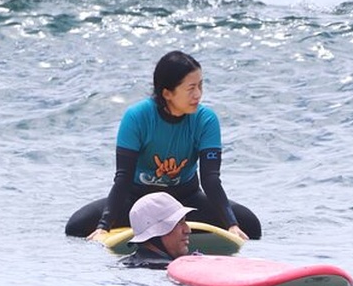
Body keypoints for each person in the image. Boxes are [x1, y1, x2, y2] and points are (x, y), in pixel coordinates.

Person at [65, 50, 262, 240]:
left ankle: (176, 229)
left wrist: (231, 225)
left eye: (200, 86)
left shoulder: (205, 120)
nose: (198, 94)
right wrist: (103, 227)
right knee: (76, 226)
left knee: (251, 225)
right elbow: (123, 177)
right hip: (138, 201)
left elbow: (210, 179)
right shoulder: (137, 117)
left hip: (185, 201)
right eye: (191, 88)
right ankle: (167, 231)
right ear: (167, 93)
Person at [119, 192, 195, 269]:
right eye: (179, 222)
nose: (188, 230)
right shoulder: (167, 269)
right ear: (156, 234)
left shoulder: (125, 264)